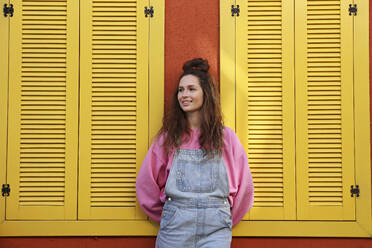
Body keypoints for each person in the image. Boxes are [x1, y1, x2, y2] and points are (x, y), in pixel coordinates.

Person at [136, 58, 254, 248]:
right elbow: (145, 183)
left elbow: (245, 188)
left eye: (191, 89)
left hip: (215, 231)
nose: (184, 94)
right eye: (181, 90)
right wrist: (171, 213)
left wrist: (222, 216)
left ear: (206, 93)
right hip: (175, 229)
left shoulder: (226, 138)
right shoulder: (169, 138)